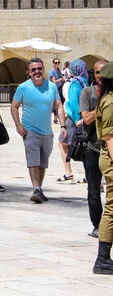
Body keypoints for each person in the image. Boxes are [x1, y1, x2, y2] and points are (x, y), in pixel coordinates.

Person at [11, 57, 66, 204]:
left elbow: (59, 106)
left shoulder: (52, 87)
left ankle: (39, 188)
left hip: (47, 131)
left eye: (39, 69)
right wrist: (18, 125)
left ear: (43, 70)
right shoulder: (23, 87)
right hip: (30, 130)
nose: (37, 72)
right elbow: (14, 106)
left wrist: (63, 125)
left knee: (43, 162)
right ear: (29, 72)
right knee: (33, 160)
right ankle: (35, 188)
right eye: (33, 69)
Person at [80, 60, 108, 239]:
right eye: (98, 73)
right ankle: (97, 224)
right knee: (93, 190)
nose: (100, 77)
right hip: (92, 147)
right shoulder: (87, 93)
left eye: (104, 73)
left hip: (109, 147)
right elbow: (87, 119)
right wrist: (104, 104)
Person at [93, 62, 113, 275]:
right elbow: (109, 137)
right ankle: (103, 259)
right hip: (111, 160)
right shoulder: (110, 102)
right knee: (112, 209)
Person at [58, 60, 89, 183]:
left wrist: (76, 119)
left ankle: (68, 172)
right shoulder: (85, 81)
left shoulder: (74, 83)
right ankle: (88, 175)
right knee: (84, 145)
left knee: (62, 142)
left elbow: (74, 103)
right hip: (85, 118)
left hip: (74, 118)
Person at [49, 58, 64, 123]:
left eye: (58, 62)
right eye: (56, 63)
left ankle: (56, 119)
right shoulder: (52, 71)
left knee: (59, 104)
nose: (57, 64)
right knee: (55, 105)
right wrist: (61, 79)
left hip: (60, 89)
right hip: (54, 90)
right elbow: (54, 81)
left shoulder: (58, 70)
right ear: (53, 63)